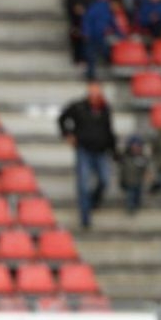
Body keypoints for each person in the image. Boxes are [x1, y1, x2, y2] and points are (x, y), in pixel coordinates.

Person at [58, 80, 117, 229]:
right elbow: (62, 118)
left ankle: (93, 201)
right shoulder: (78, 106)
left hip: (101, 151)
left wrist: (114, 150)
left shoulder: (105, 108)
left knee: (104, 180)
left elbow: (109, 130)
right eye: (92, 91)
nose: (94, 94)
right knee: (83, 184)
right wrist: (67, 134)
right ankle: (85, 217)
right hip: (84, 150)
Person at [117, 134, 149, 215]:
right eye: (134, 146)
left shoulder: (142, 158)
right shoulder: (125, 157)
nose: (136, 148)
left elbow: (145, 169)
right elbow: (122, 170)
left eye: (138, 146)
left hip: (138, 181)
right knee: (130, 196)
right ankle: (130, 209)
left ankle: (136, 207)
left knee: (137, 196)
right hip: (128, 181)